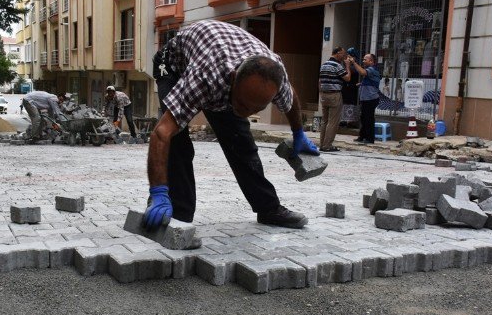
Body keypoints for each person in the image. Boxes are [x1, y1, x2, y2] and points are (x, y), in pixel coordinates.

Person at [143, 20, 319, 231]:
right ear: (233, 79)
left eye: (256, 109)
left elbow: (291, 103)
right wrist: (158, 192)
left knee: (241, 141)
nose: (247, 112)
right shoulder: (206, 77)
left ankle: (268, 208)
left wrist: (299, 133)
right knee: (178, 141)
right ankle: (177, 215)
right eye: (243, 104)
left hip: (220, 60)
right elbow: (162, 134)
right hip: (173, 64)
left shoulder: (275, 77)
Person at [318, 47, 351, 152]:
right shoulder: (337, 65)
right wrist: (347, 66)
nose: (344, 56)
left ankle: (322, 144)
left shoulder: (324, 65)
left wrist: (321, 93)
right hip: (334, 95)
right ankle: (327, 146)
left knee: (324, 121)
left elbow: (320, 81)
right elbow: (347, 78)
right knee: (333, 122)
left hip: (324, 95)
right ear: (337, 53)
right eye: (343, 54)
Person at [351, 53, 381, 144]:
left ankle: (369, 138)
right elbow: (372, 83)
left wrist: (354, 63)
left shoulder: (372, 69)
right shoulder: (370, 70)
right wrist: (361, 84)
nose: (363, 61)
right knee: (364, 118)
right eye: (363, 59)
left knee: (368, 119)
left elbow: (362, 72)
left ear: (371, 61)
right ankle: (362, 136)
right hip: (366, 99)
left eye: (365, 59)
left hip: (370, 99)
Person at [341, 47, 361, 129]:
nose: (348, 58)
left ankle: (350, 121)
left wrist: (347, 66)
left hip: (353, 88)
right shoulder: (346, 65)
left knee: (351, 103)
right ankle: (344, 120)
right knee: (345, 103)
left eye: (350, 56)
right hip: (346, 87)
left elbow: (354, 72)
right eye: (347, 56)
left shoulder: (355, 66)